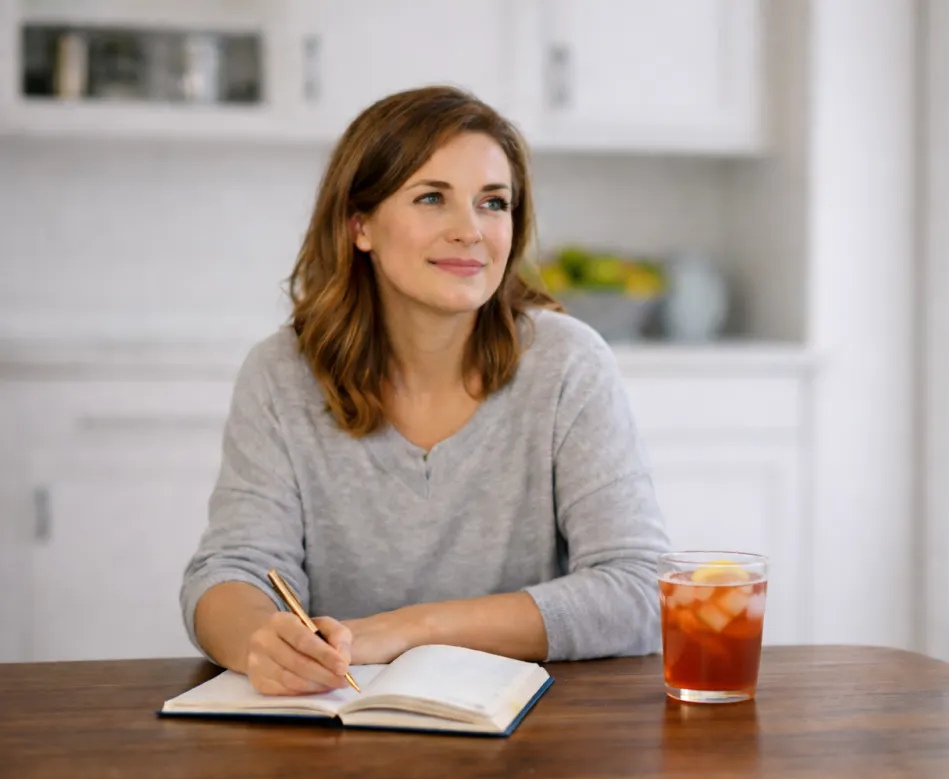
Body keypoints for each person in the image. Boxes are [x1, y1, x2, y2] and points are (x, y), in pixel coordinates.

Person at [180, 86, 670, 697]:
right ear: (361, 225)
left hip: (535, 742)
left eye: (493, 202)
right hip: (336, 733)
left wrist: (409, 631)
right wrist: (261, 641)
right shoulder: (282, 374)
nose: (470, 230)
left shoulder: (568, 363)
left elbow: (642, 589)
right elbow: (230, 570)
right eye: (432, 198)